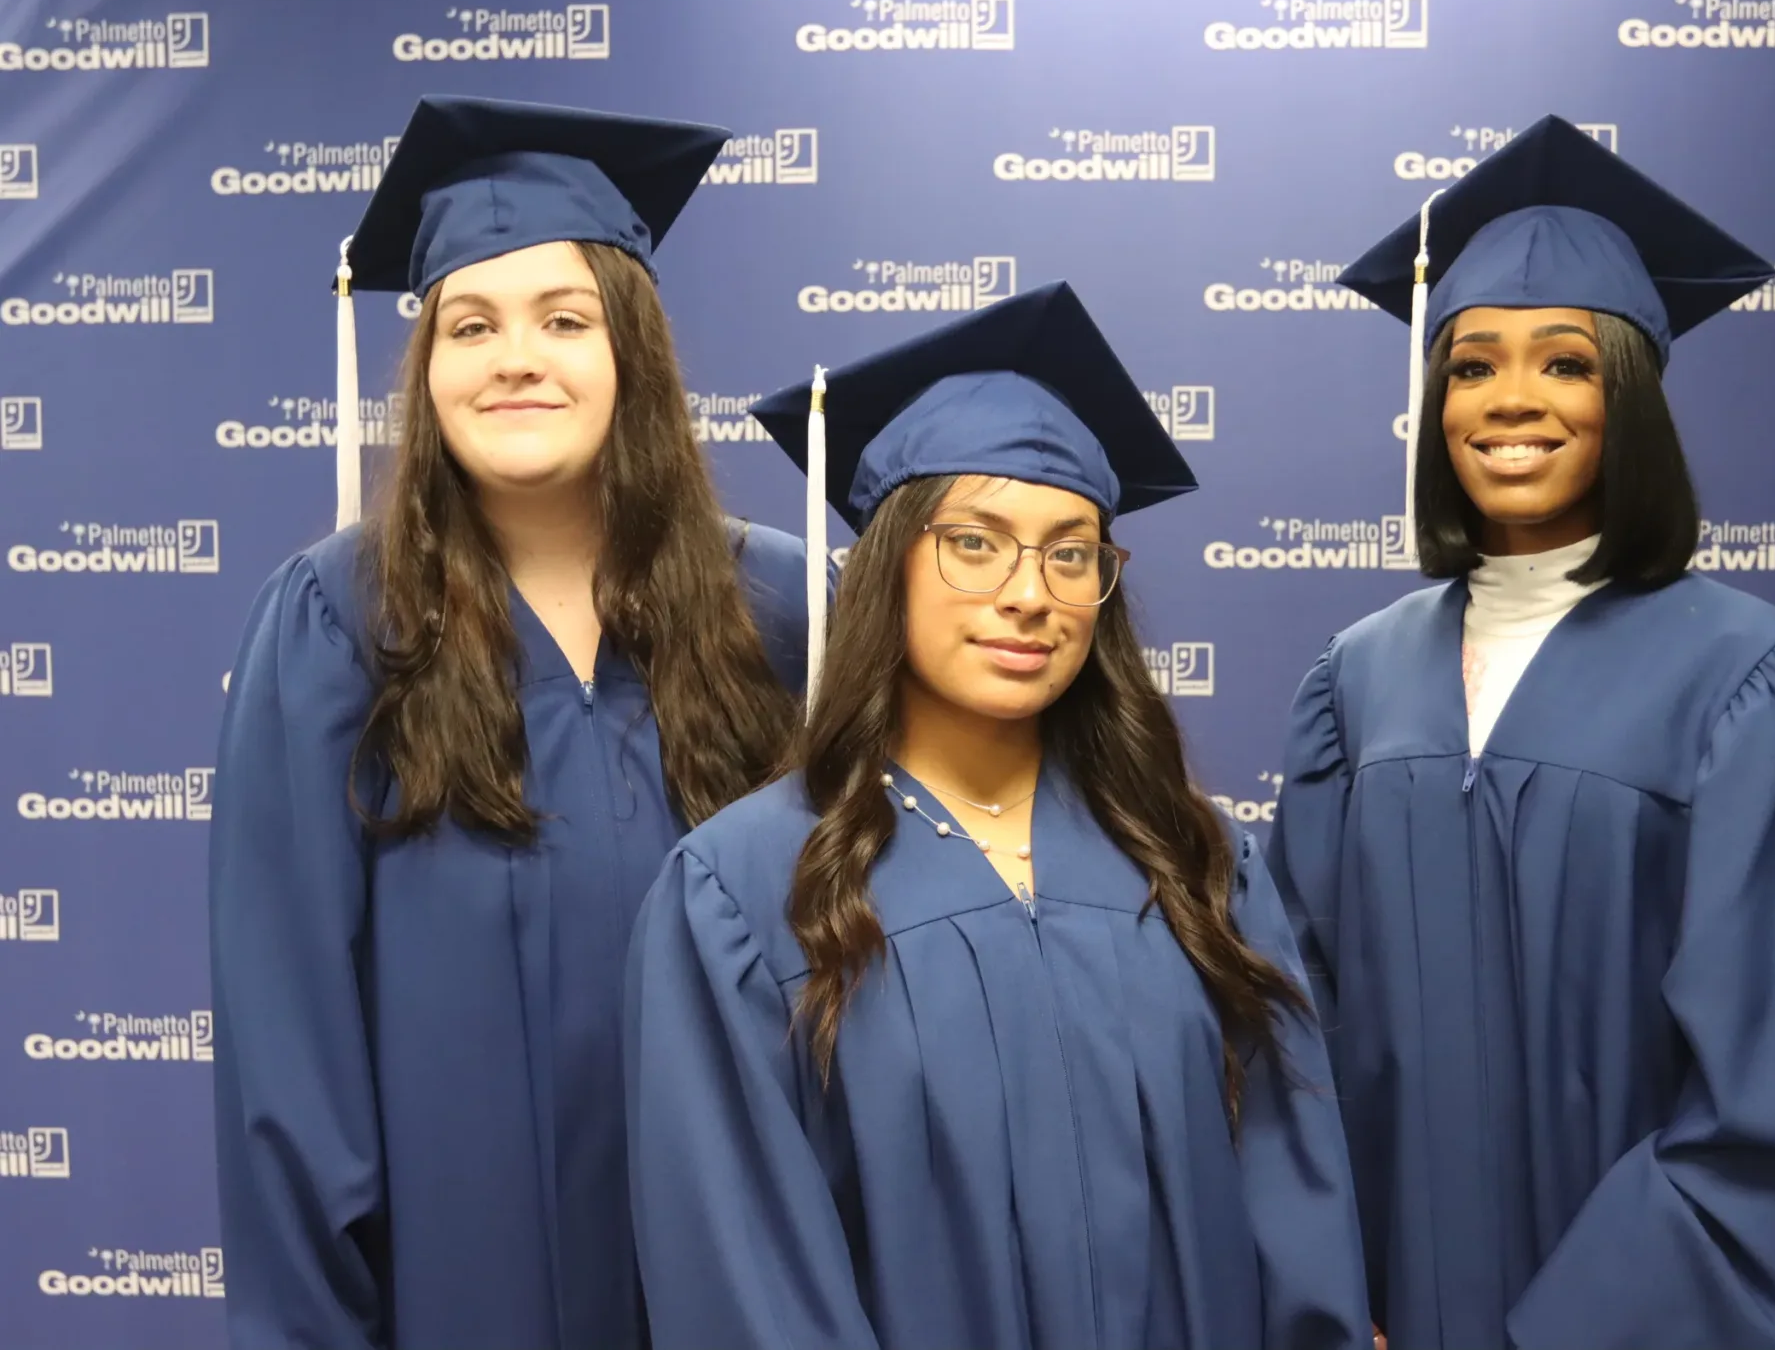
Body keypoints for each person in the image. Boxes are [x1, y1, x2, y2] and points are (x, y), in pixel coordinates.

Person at [623, 281, 1374, 1350]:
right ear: (885, 568)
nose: (1030, 593)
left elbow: (1296, 1226)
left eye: (1069, 552)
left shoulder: (1195, 863)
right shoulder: (740, 896)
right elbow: (747, 1283)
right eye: (973, 541)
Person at [1270, 115, 1775, 1350]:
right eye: (1468, 366)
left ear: (1628, 393)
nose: (1510, 398)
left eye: (1563, 362)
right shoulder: (1356, 682)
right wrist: (1333, 1295)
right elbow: (1298, 1033)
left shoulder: (1752, 682)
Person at [207, 95, 810, 1350]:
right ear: (426, 372)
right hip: (458, 1289)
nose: (513, 357)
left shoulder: (782, 608)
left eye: (563, 318)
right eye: (468, 324)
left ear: (630, 352)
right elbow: (289, 1050)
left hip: (742, 1278)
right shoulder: (337, 623)